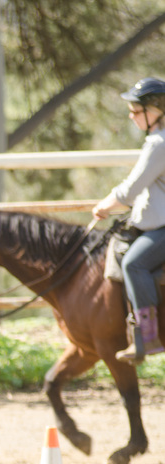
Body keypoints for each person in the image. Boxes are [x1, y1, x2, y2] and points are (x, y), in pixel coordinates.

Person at [93, 77, 165, 365]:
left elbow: (129, 191)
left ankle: (147, 337)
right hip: (155, 222)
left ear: (156, 109)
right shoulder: (157, 142)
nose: (131, 116)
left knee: (133, 263)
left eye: (137, 111)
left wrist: (104, 206)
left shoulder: (158, 144)